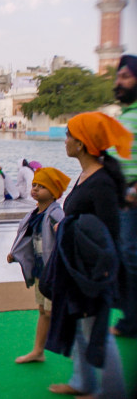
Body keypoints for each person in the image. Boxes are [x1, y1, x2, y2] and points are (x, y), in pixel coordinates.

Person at [46, 111, 130, 398]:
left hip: (94, 271)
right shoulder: (86, 175)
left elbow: (108, 231)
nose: (65, 140)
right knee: (82, 326)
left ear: (81, 144)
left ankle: (113, 392)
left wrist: (103, 272)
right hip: (79, 268)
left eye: (69, 135)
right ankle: (83, 382)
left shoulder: (102, 182)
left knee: (96, 332)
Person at [7, 167, 69, 364]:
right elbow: (26, 240)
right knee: (43, 310)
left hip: (54, 272)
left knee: (52, 311)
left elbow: (65, 238)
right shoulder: (34, 214)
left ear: (54, 192)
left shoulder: (55, 215)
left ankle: (73, 346)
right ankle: (38, 351)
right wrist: (14, 254)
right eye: (34, 185)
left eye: (42, 187)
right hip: (41, 272)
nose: (35, 189)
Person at [111, 54, 137, 339]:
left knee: (130, 257)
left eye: (126, 76)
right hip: (124, 200)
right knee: (125, 257)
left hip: (132, 200)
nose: (119, 82)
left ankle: (131, 322)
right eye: (118, 77)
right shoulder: (127, 116)